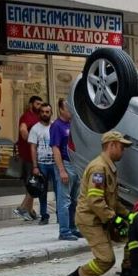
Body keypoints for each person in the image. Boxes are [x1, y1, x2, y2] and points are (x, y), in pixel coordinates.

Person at [60, 130, 132, 276]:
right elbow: (95, 200)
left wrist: (129, 216)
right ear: (111, 145)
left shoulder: (109, 167)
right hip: (90, 220)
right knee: (106, 260)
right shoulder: (99, 168)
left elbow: (113, 200)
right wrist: (114, 219)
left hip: (102, 217)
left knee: (132, 236)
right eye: (122, 147)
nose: (123, 151)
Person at [51, 98, 82, 240]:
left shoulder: (73, 124)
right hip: (65, 164)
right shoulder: (57, 126)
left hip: (75, 164)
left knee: (74, 200)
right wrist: (61, 170)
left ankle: (72, 227)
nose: (71, 111)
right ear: (61, 110)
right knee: (64, 200)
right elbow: (56, 149)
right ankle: (64, 231)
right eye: (68, 108)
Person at [13, 95, 43, 221]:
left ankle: (30, 211)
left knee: (33, 183)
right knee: (34, 183)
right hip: (29, 156)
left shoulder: (38, 117)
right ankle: (22, 208)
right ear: (31, 104)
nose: (39, 106)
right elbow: (23, 130)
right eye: (37, 104)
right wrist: (31, 141)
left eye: (41, 104)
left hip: (36, 156)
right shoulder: (26, 116)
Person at [27, 103, 56, 225]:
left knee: (59, 190)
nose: (45, 114)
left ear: (51, 113)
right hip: (42, 164)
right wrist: (35, 166)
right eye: (42, 111)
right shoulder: (35, 129)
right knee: (41, 191)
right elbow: (33, 148)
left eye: (47, 111)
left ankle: (61, 216)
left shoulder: (55, 126)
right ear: (40, 113)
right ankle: (44, 216)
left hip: (56, 163)